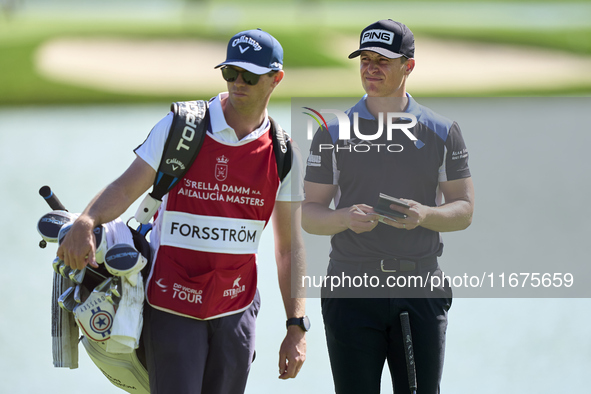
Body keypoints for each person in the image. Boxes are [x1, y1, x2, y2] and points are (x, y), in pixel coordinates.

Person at [57, 28, 308, 394]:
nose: (238, 82)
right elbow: (127, 186)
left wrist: (296, 325)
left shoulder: (284, 153)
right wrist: (87, 219)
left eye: (250, 76)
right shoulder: (183, 125)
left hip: (235, 308)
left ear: (275, 79)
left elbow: (289, 248)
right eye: (230, 72)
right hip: (171, 301)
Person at [302, 19, 474, 394]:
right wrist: (344, 218)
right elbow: (310, 215)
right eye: (365, 59)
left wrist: (425, 216)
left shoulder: (442, 131)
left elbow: (463, 209)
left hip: (419, 288)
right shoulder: (332, 131)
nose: (371, 68)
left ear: (408, 66)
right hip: (350, 287)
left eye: (382, 60)